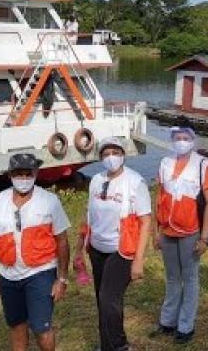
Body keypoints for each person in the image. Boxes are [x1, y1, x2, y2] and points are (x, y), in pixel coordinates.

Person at [0, 153, 71, 351]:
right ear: (10, 175)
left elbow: (62, 241)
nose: (23, 179)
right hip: (7, 275)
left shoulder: (50, 201)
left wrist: (61, 279)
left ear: (36, 174)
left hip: (41, 273)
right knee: (16, 325)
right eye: (18, 174)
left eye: (27, 174)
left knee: (41, 328)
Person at [75, 137, 151, 351]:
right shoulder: (96, 180)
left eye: (115, 153)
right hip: (97, 249)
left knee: (109, 299)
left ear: (123, 155)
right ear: (100, 158)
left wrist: (138, 261)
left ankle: (119, 346)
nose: (111, 158)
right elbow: (89, 215)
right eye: (106, 154)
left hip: (122, 250)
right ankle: (107, 344)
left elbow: (145, 222)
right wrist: (79, 247)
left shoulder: (135, 182)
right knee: (103, 300)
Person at [151, 126, 208, 344]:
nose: (181, 141)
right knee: (172, 277)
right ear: (172, 140)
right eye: (177, 138)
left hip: (191, 231)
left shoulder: (203, 165)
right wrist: (155, 231)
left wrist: (204, 237)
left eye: (185, 138)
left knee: (189, 278)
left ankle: (186, 326)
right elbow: (159, 197)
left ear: (192, 141)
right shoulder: (165, 163)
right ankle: (168, 321)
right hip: (167, 230)